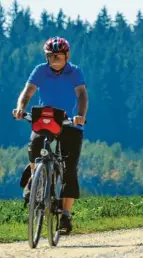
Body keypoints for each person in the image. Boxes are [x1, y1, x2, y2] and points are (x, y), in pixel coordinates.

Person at [12, 36, 88, 234]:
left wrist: (80, 115)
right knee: (34, 145)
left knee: (69, 168)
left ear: (66, 56)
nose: (55, 60)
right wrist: (20, 108)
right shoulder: (40, 70)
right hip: (47, 119)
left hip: (70, 123)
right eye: (51, 56)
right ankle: (33, 179)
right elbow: (27, 93)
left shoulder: (75, 71)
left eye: (59, 56)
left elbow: (81, 95)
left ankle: (65, 216)